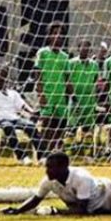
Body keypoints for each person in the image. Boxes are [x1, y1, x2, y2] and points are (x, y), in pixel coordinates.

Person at [0, 66, 41, 164]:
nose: (1, 78)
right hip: (0, 120)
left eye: (3, 75)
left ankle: (41, 156)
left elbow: (22, 106)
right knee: (9, 128)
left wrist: (32, 112)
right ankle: (22, 157)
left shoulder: (12, 93)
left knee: (31, 126)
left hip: (14, 118)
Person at [35, 22, 73, 159]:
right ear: (49, 36)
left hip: (61, 96)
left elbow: (67, 78)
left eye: (60, 34)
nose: (58, 36)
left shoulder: (65, 56)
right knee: (47, 124)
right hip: (48, 94)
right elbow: (37, 75)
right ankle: (43, 153)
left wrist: (72, 95)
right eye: (54, 33)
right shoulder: (43, 53)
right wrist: (41, 94)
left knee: (60, 125)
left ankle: (54, 151)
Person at [69, 40, 100, 153]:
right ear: (78, 49)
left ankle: (87, 153)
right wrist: (72, 95)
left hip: (89, 100)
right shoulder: (72, 63)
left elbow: (96, 80)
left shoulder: (94, 65)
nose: (85, 49)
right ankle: (70, 152)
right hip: (75, 99)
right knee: (72, 126)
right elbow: (68, 80)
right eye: (83, 47)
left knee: (87, 128)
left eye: (88, 47)